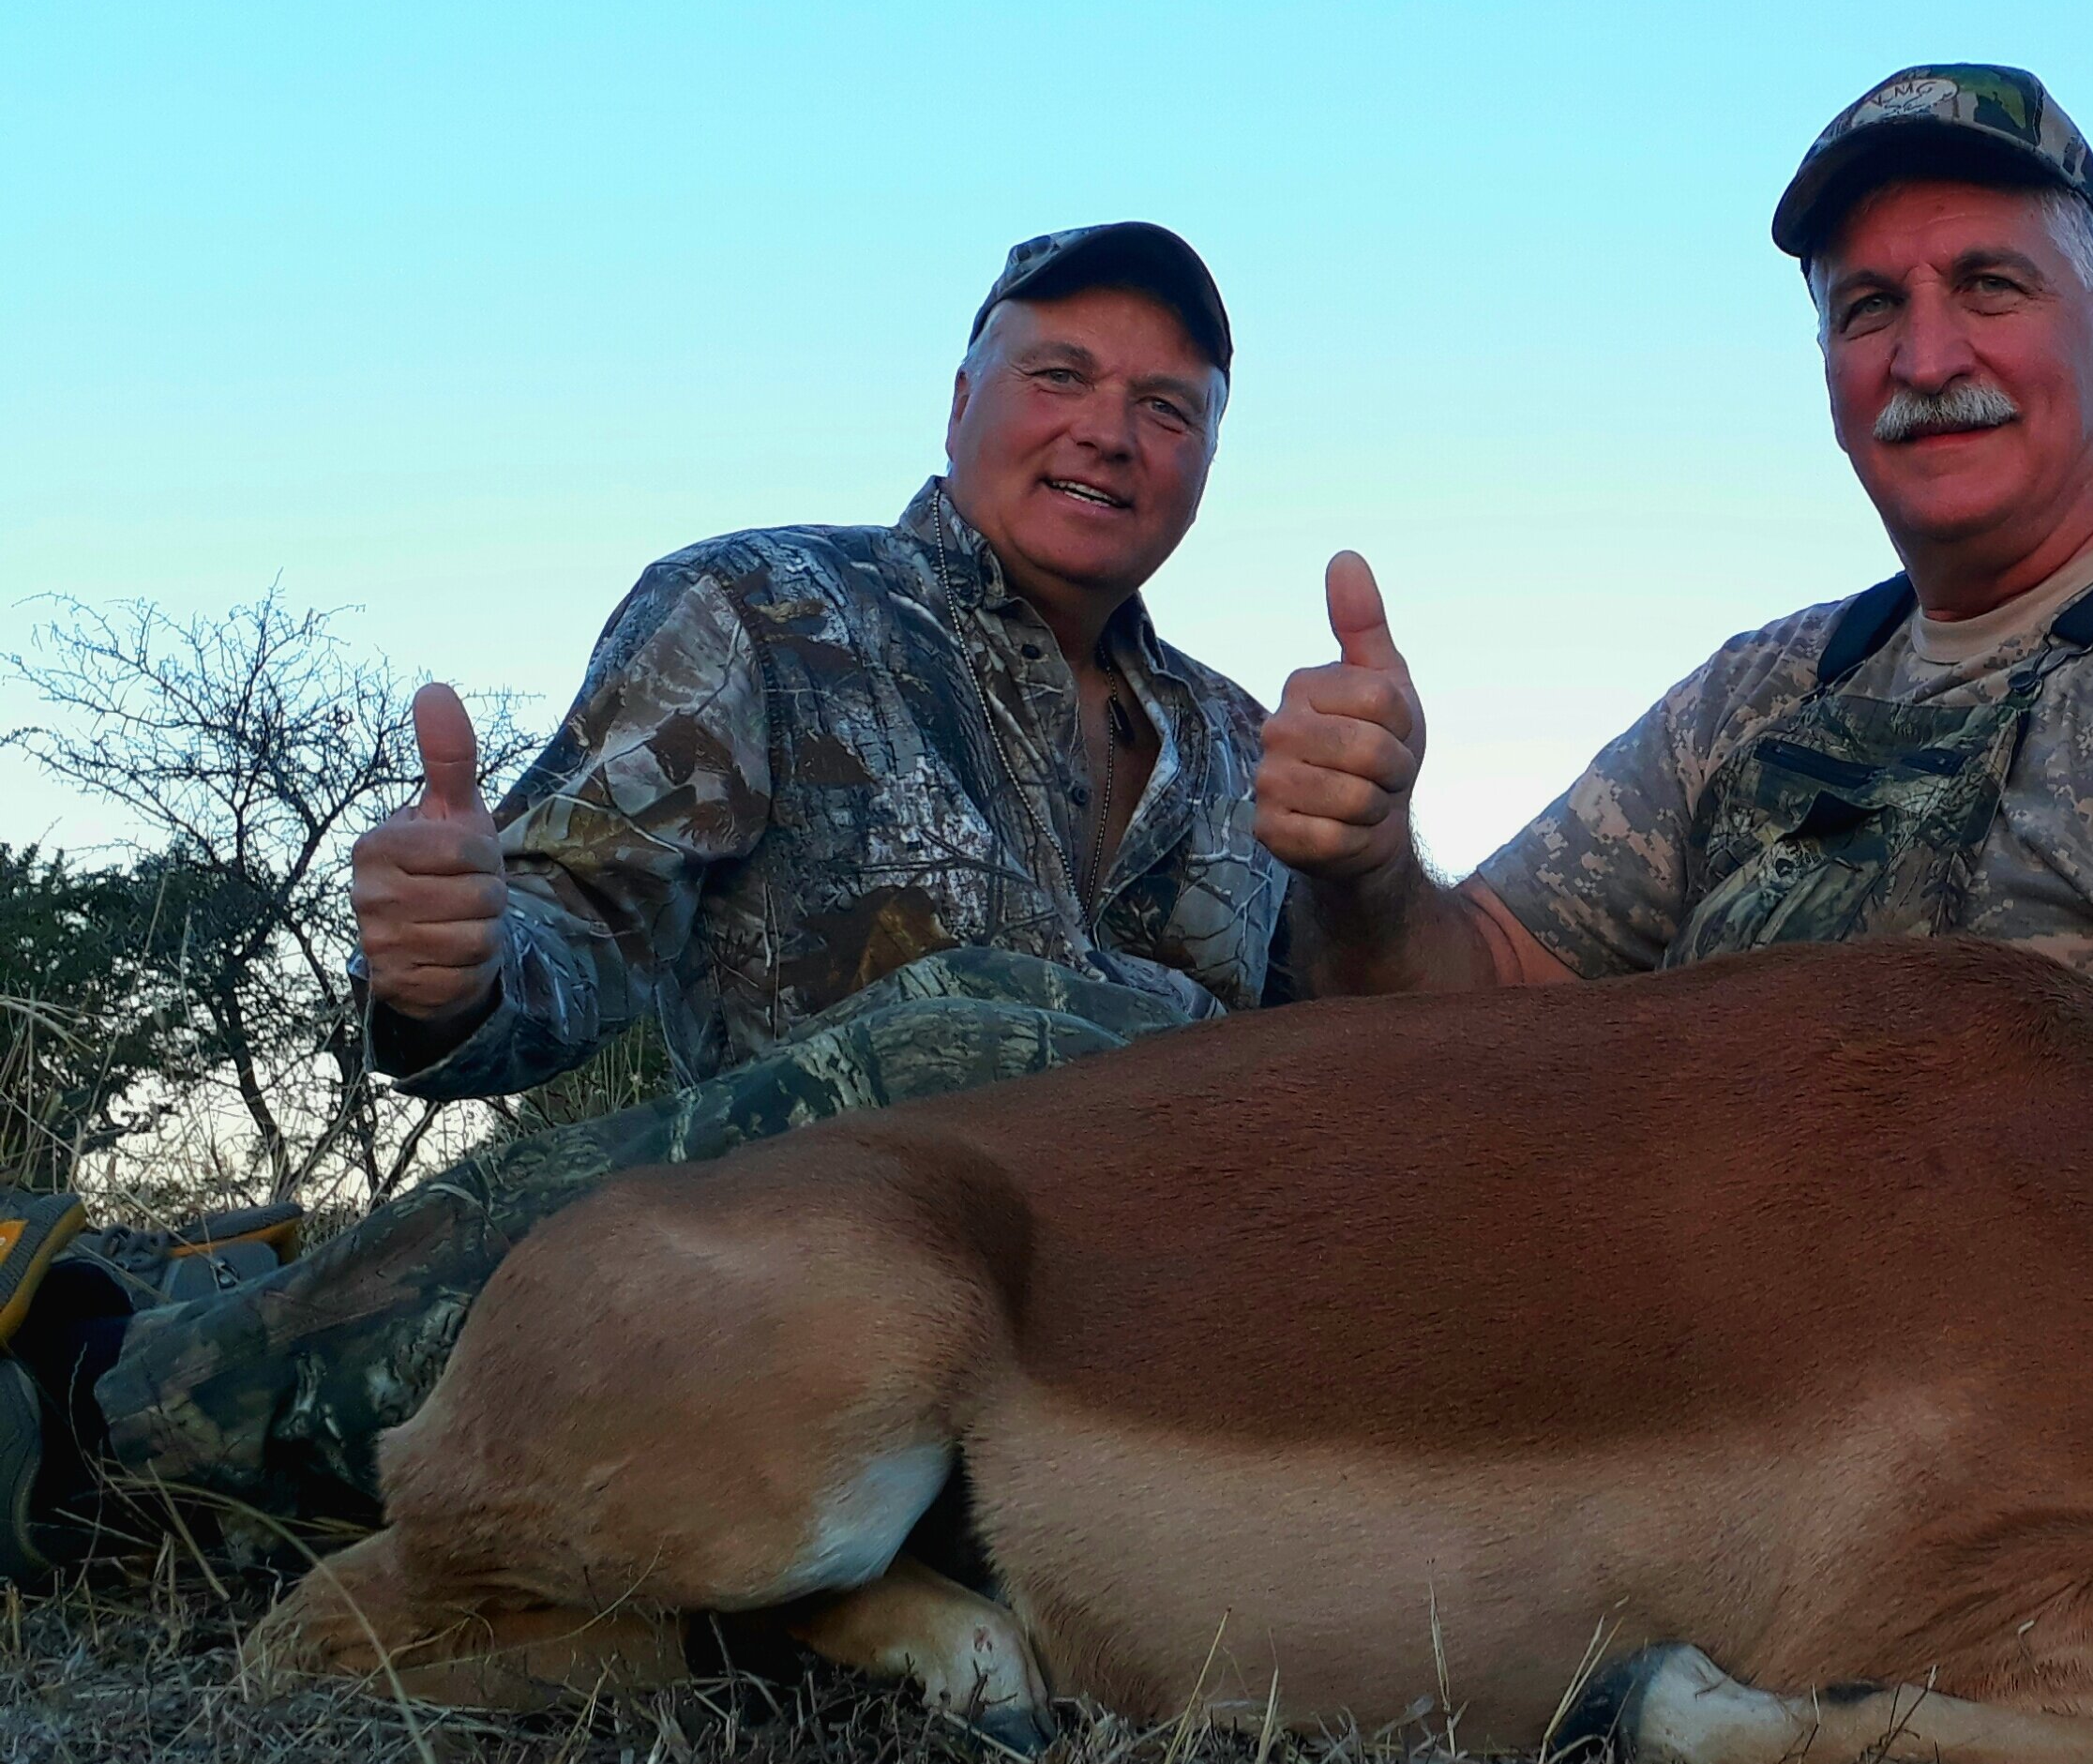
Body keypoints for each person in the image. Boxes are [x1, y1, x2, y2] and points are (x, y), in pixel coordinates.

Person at [0, 223, 1293, 1576]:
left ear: (1204, 460)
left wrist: (1372, 864)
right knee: (984, 1045)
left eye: (1165, 408)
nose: (1108, 433)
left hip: (1122, 1356)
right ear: (961, 400)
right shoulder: (762, 608)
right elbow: (572, 924)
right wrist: (465, 965)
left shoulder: (1245, 744)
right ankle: (101, 1410)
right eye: (1060, 377)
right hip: (777, 1283)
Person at [1260, 63, 2093, 1122]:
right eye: (1868, 308)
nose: (1925, 357)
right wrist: (1367, 875)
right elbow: (1468, 998)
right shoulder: (1763, 691)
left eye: (1990, 286)